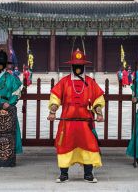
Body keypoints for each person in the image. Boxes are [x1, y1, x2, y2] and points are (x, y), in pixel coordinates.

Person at [47, 48, 105, 183]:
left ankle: (88, 174)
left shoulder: (90, 82)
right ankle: (64, 174)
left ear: (84, 66)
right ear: (72, 66)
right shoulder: (65, 81)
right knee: (65, 145)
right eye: (75, 65)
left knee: (89, 145)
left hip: (86, 121)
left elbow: (98, 99)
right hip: (67, 121)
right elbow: (55, 97)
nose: (78, 68)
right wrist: (52, 111)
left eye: (80, 65)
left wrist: (99, 112)